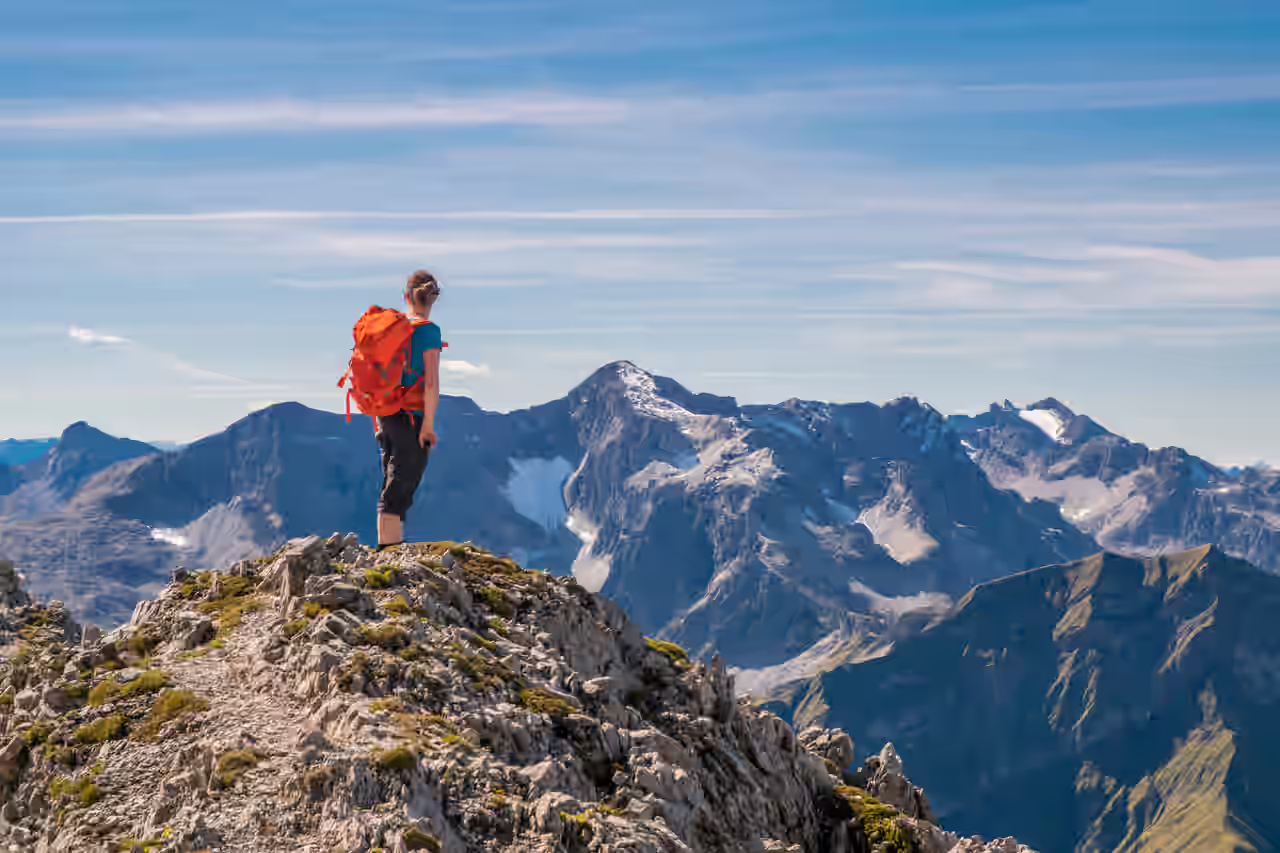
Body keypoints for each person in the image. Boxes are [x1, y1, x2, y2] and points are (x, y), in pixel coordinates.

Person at [375, 270, 444, 551]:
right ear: (433, 298)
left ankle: (390, 544)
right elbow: (431, 383)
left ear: (406, 296)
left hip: (385, 412)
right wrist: (427, 425)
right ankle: (389, 547)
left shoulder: (389, 330)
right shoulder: (428, 331)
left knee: (393, 476)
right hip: (411, 414)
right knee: (402, 480)